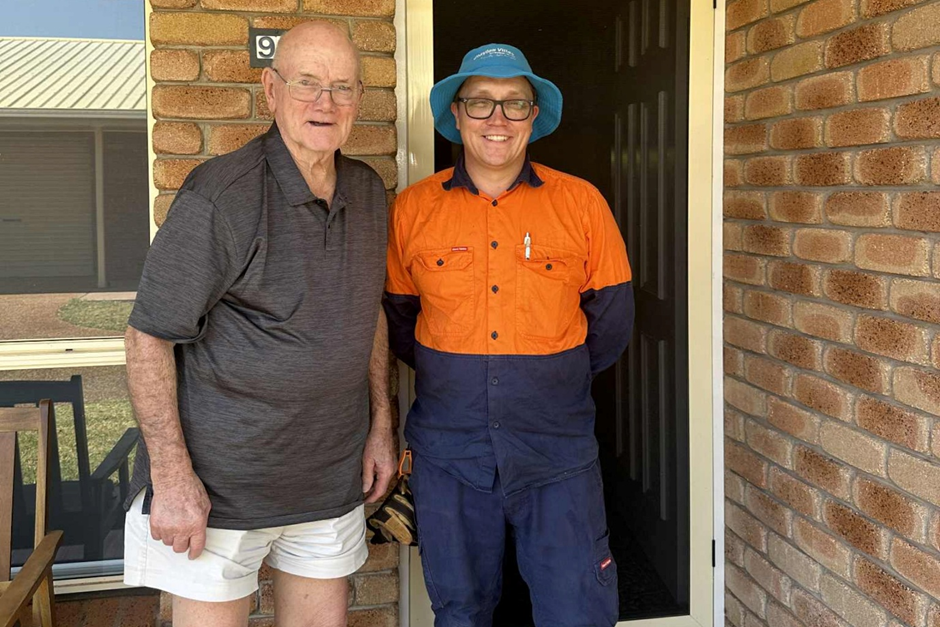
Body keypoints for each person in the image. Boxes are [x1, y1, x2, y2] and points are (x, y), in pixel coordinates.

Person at [122, 21, 396, 627]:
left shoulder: (370, 193)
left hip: (329, 480)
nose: (325, 103)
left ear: (358, 100)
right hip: (220, 491)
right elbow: (148, 336)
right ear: (271, 91)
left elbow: (367, 311)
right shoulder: (221, 195)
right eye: (307, 83)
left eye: (343, 87)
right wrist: (171, 479)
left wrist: (381, 424)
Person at [383, 43, 635, 626]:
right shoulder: (412, 211)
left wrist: (548, 377)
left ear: (533, 116)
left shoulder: (582, 203)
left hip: (556, 447)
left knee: (578, 608)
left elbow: (612, 321)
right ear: (456, 116)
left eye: (514, 104)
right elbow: (399, 320)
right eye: (480, 103)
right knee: (460, 609)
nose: (497, 119)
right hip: (450, 450)